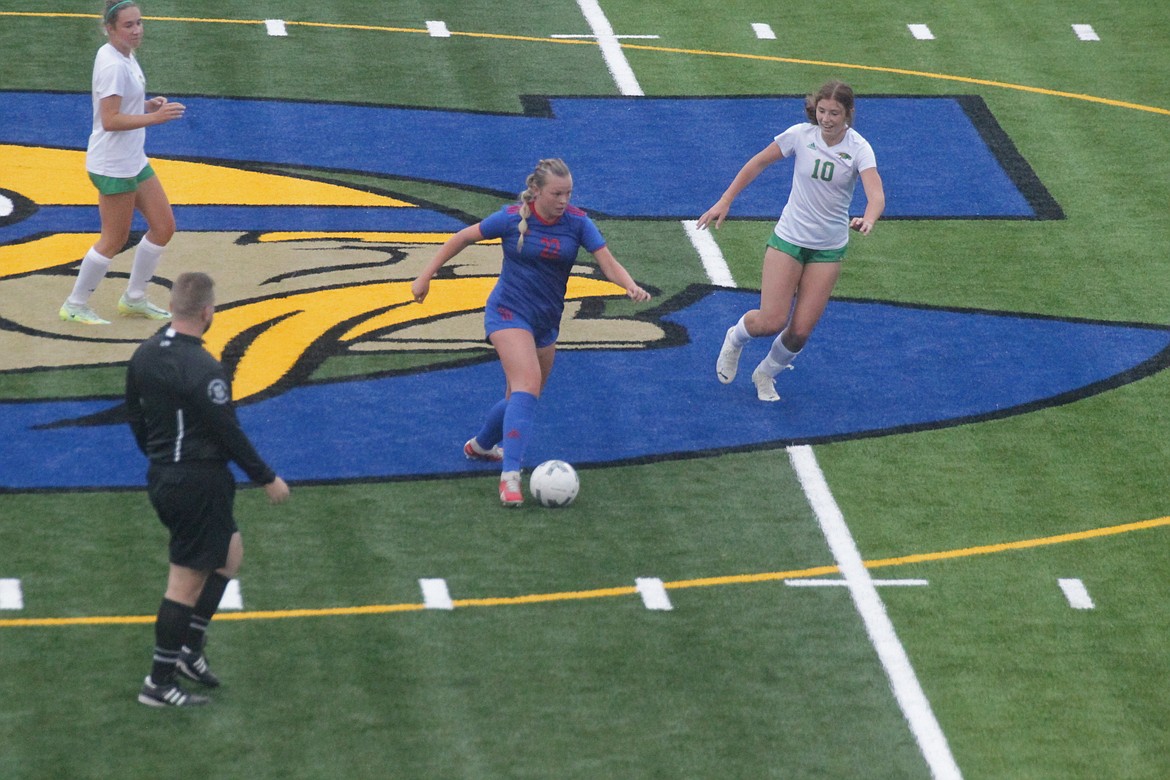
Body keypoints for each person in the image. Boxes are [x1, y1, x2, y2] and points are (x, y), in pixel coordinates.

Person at [412, 158, 651, 507]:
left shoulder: (578, 223)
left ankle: (480, 446)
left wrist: (629, 285)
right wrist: (425, 275)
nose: (563, 200)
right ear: (537, 191)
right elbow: (463, 237)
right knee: (527, 384)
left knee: (520, 397)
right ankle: (510, 477)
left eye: (568, 193)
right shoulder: (511, 218)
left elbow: (607, 261)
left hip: (546, 321)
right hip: (507, 313)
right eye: (556, 193)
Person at [126, 272, 290, 707]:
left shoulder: (143, 354)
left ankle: (188, 651)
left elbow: (136, 418)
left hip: (165, 474)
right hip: (195, 481)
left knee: (229, 552)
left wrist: (161, 459)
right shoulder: (203, 367)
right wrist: (266, 476)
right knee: (184, 583)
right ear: (207, 312)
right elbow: (226, 431)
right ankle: (159, 682)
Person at [697, 79, 885, 401]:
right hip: (789, 239)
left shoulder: (859, 149)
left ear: (849, 114)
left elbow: (876, 194)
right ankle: (736, 338)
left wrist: (868, 218)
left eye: (834, 113)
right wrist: (725, 200)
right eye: (822, 111)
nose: (826, 119)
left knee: (799, 333)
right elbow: (757, 162)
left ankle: (765, 373)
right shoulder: (800, 135)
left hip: (828, 248)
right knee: (771, 320)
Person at [59, 0, 185, 325]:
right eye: (128, 25)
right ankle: (75, 303)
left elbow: (120, 104)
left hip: (132, 159)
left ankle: (134, 298)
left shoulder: (123, 54)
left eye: (139, 23)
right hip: (113, 165)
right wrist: (155, 117)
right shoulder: (113, 64)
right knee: (113, 239)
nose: (137, 30)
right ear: (110, 29)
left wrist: (144, 104)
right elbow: (110, 119)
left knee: (163, 227)